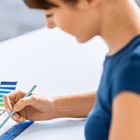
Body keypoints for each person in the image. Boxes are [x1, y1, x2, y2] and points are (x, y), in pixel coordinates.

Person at [2, 0, 140, 140]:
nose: (50, 25)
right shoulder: (128, 60)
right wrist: (53, 106)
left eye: (51, 13)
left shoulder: (132, 69)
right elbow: (117, 96)